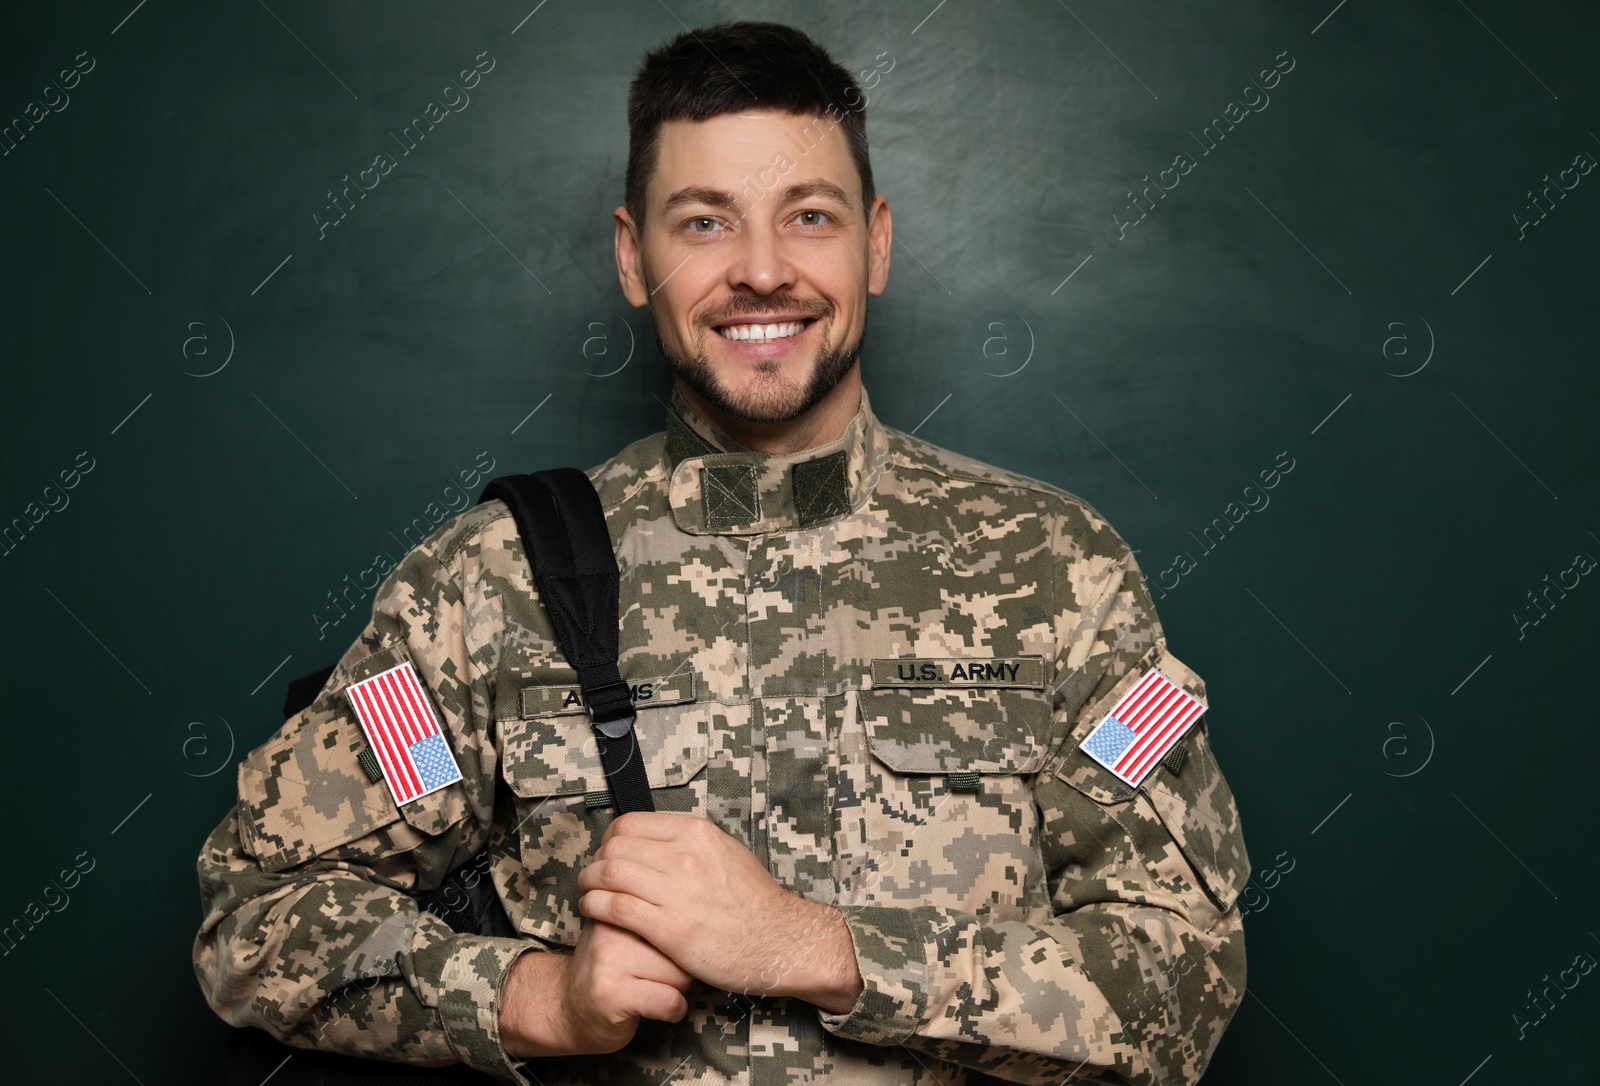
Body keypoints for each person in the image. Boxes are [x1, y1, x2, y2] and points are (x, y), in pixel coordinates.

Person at [193, 19, 1251, 1086]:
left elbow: (1187, 976)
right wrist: (538, 1001)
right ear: (630, 254)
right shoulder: (487, 584)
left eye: (810, 217)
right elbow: (256, 919)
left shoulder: (1058, 568)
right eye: (704, 222)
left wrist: (818, 948)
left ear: (875, 242)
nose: (760, 271)